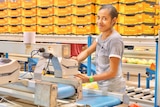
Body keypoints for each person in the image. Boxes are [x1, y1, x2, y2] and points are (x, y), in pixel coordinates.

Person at [72, 4, 126, 93]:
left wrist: (90, 79)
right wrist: (76, 60)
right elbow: (87, 51)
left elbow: (112, 72)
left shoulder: (115, 40)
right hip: (103, 86)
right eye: (98, 18)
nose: (100, 22)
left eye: (104, 19)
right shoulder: (101, 36)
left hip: (113, 89)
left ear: (114, 20)